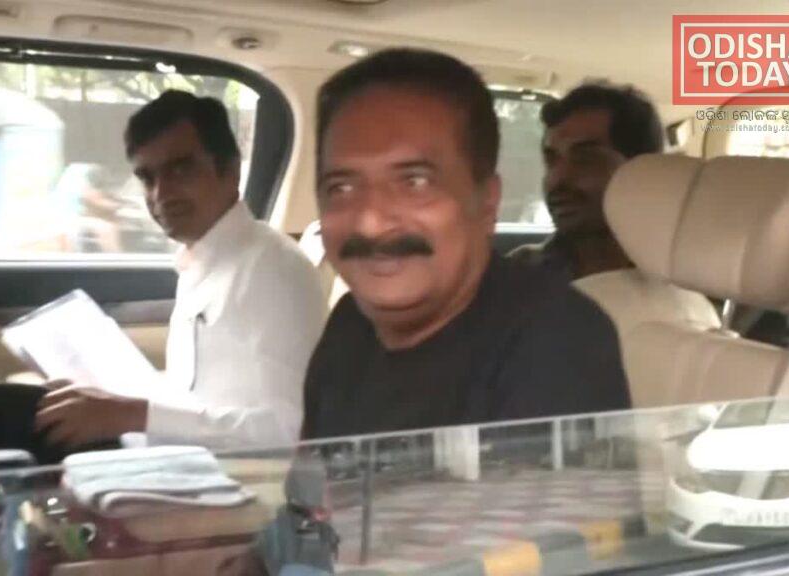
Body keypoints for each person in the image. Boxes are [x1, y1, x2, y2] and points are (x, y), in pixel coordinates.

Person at [300, 49, 630, 440]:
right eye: (341, 188)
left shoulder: (558, 340)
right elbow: (311, 476)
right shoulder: (349, 326)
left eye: (415, 182)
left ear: (487, 201)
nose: (370, 222)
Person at [34, 90, 327, 450]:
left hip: (239, 478)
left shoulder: (273, 270)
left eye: (180, 170)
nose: (161, 194)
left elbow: (292, 432)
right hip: (185, 462)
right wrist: (109, 399)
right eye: (147, 178)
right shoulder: (201, 261)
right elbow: (199, 396)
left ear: (230, 170)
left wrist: (133, 414)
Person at [507, 82, 664, 281]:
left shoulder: (683, 280)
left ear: (642, 173)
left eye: (586, 159)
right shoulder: (519, 271)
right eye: (551, 160)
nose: (557, 179)